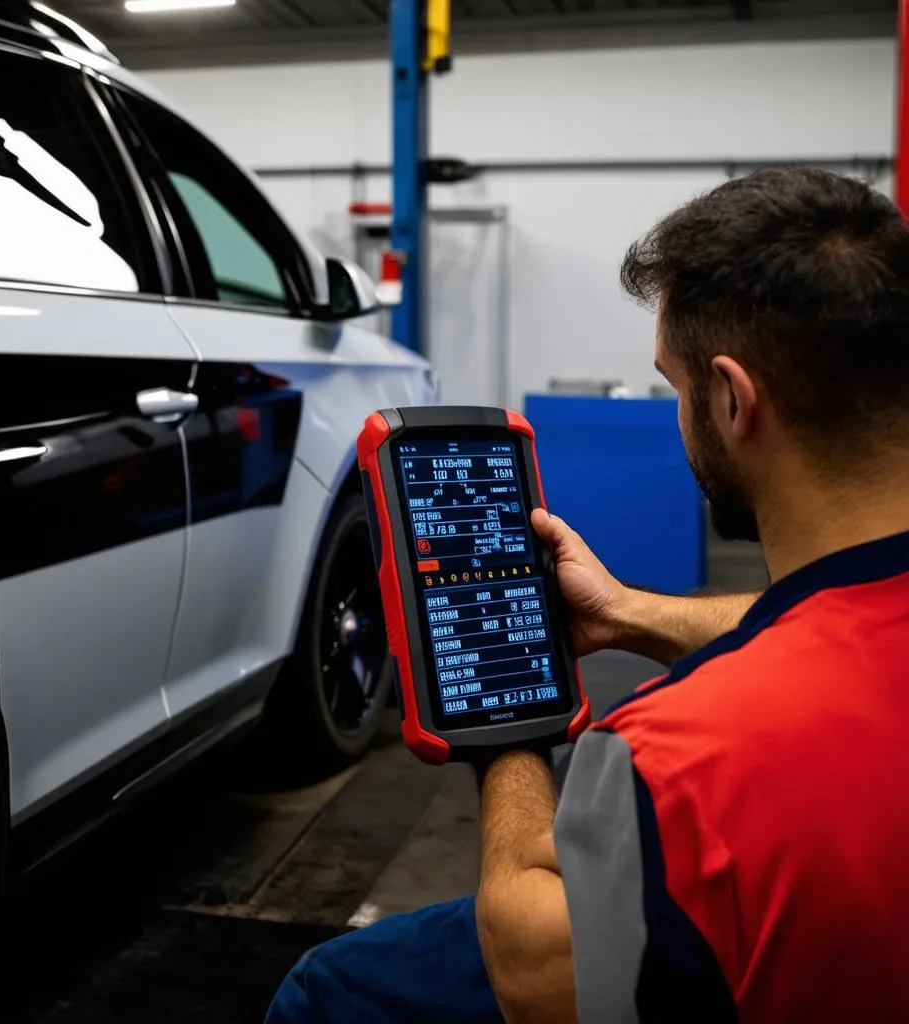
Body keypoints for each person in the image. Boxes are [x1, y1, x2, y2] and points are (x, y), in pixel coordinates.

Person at [265, 167, 909, 1023]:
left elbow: (534, 973)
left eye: (675, 385)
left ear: (729, 399)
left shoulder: (671, 757)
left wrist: (499, 722)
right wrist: (628, 612)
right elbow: (842, 634)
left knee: (330, 989)